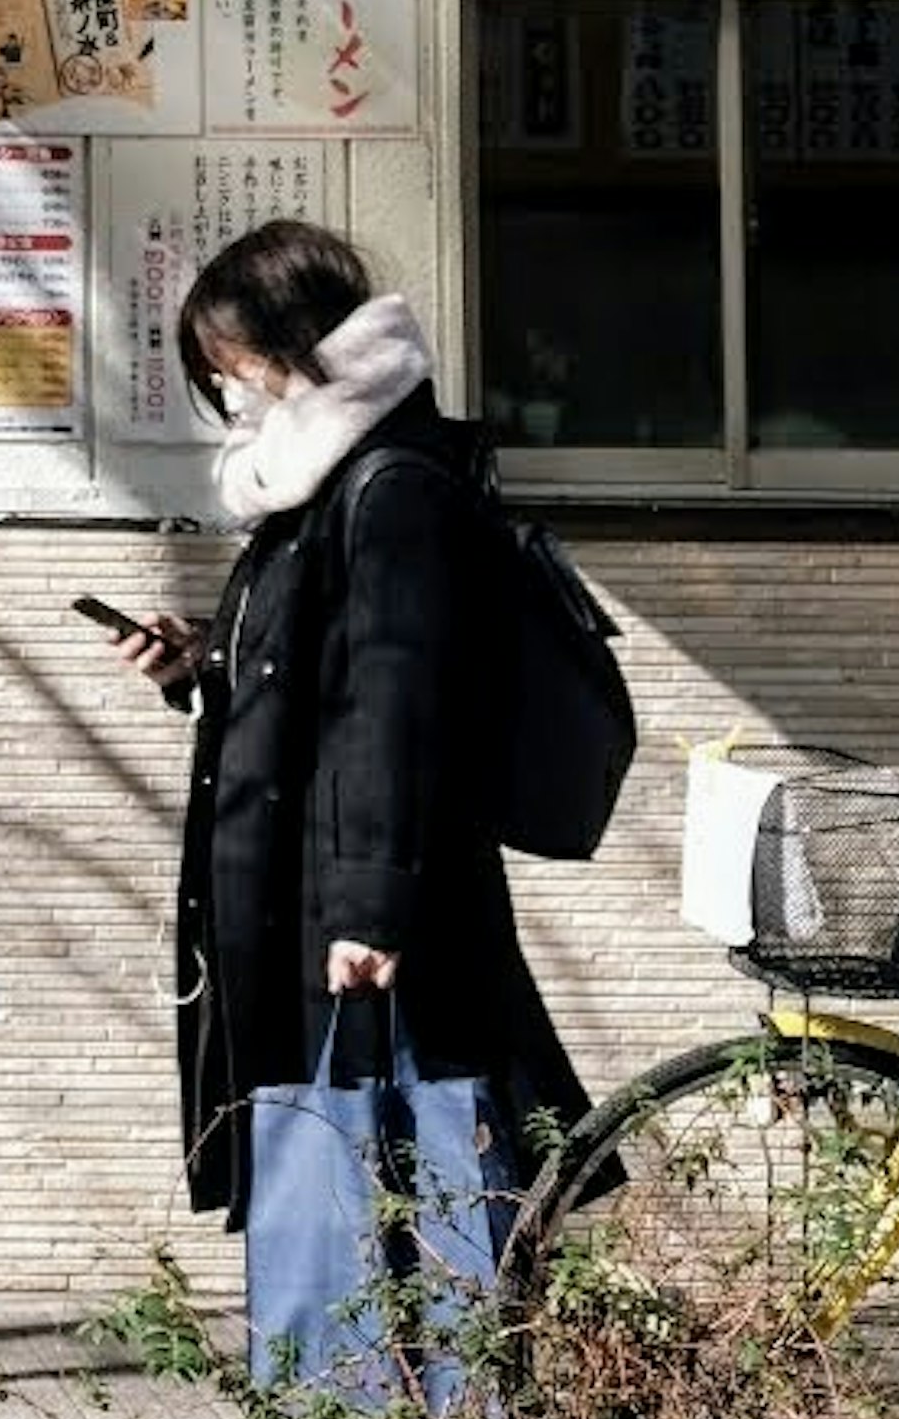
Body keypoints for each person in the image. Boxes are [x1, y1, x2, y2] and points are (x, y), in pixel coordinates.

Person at [113, 214, 586, 1263]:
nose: (230, 391)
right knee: (331, 1161)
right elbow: (311, 679)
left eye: (231, 365)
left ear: (293, 349)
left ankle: (428, 1404)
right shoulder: (316, 486)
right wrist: (201, 665)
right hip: (306, 885)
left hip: (362, 906)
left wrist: (371, 911)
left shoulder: (390, 487)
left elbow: (393, 703)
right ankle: (342, 1403)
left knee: (416, 1157)